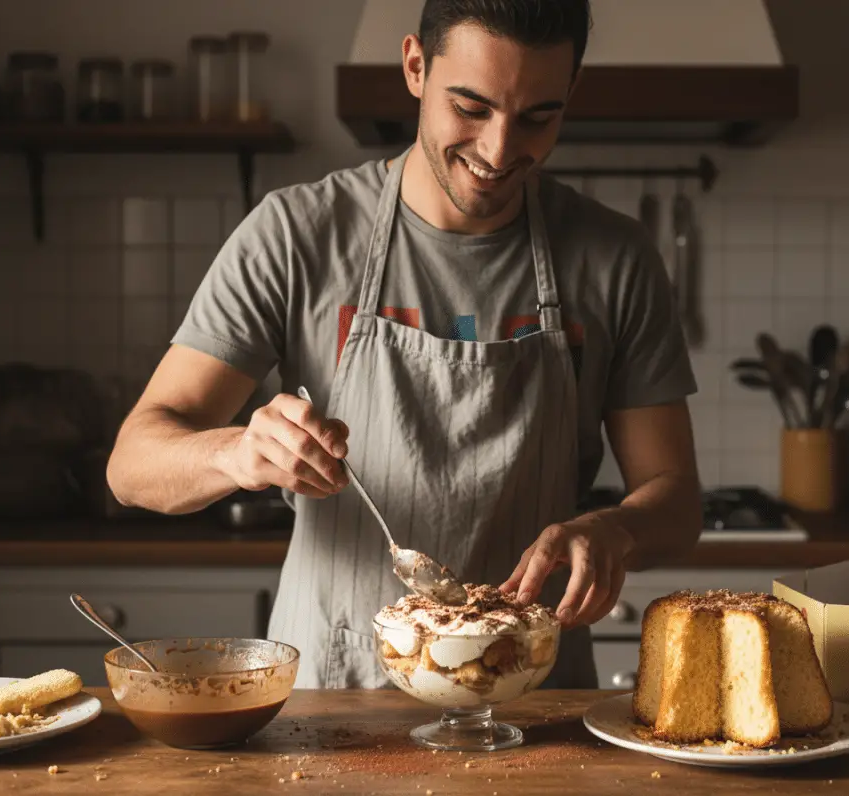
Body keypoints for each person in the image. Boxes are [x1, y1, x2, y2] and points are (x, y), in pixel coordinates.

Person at [106, 0, 703, 689]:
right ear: (416, 67)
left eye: (538, 117)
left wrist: (616, 531)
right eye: (471, 108)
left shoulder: (615, 258)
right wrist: (237, 453)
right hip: (333, 700)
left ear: (571, 92)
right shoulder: (295, 235)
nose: (499, 150)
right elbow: (132, 466)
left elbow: (676, 500)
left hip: (532, 704)